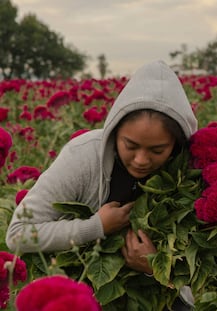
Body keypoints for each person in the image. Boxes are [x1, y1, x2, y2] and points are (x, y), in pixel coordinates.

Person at [6, 60, 198, 310]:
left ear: (176, 144)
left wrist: (155, 267)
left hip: (161, 293)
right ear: (114, 131)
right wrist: (95, 226)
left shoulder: (189, 173)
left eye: (157, 150)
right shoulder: (82, 157)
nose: (141, 160)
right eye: (130, 145)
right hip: (82, 291)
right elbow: (18, 234)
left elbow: (202, 265)